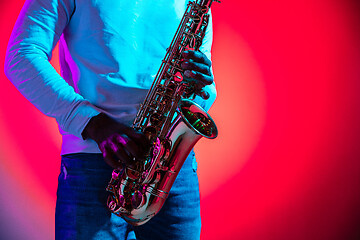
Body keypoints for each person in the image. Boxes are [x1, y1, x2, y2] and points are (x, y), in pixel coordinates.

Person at [5, 0, 217, 239]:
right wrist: (92, 122)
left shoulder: (197, 4)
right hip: (94, 161)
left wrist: (200, 84)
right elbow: (21, 56)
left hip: (171, 168)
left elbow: (204, 93)